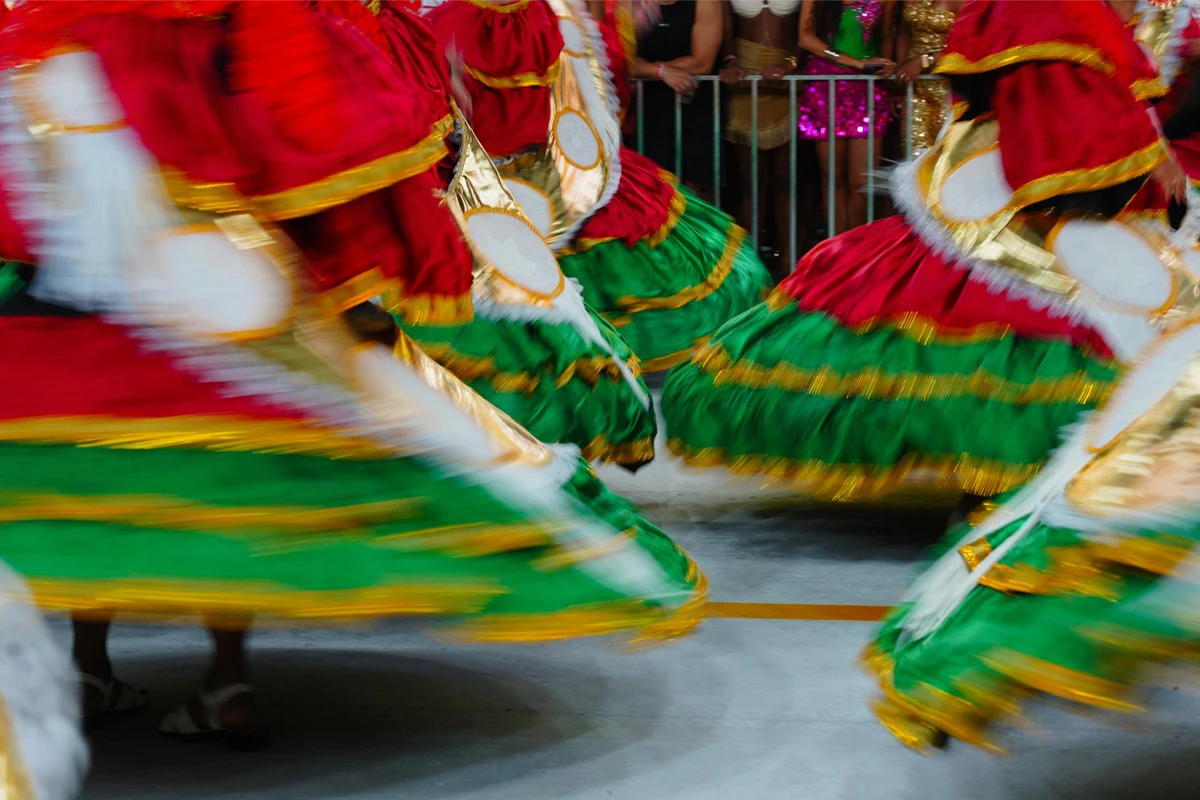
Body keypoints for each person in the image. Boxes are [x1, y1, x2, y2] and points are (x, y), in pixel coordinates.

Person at [0, 0, 705, 749]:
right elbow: (335, 151)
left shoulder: (58, 27)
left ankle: (89, 664)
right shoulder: (276, 22)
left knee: (95, 483)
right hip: (243, 314)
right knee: (241, 482)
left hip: (87, 319)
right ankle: (225, 681)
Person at [663, 0, 1187, 507]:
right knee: (1022, 311)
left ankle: (1033, 468)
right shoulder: (1046, 9)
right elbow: (1056, 85)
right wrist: (1144, 154)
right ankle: (1000, 471)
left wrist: (1148, 150)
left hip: (1067, 175)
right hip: (1030, 177)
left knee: (1084, 307)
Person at [425, 0, 771, 373]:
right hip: (534, 176)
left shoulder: (452, 23)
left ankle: (570, 370)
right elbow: (600, 72)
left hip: (505, 182)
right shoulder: (552, 16)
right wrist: (624, 33)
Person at [720, 0, 810, 277]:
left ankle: (790, 262)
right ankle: (749, 264)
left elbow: (808, 28)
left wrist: (790, 63)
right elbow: (724, 27)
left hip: (786, 76)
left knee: (787, 179)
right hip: (745, 78)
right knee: (750, 182)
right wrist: (730, 61)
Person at [796, 0, 896, 235]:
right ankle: (836, 252)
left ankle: (855, 254)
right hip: (826, 87)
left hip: (868, 89)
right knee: (834, 178)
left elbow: (886, 38)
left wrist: (888, 69)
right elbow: (805, 37)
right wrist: (856, 63)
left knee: (862, 183)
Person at [629, 0, 722, 199]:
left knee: (699, 193)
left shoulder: (705, 3)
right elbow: (623, 60)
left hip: (698, 113)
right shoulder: (632, 4)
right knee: (655, 192)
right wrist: (662, 72)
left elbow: (702, 62)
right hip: (649, 114)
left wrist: (648, 69)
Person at [892, 0, 960, 153]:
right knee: (914, 155)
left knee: (947, 156)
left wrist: (926, 59)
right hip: (914, 87)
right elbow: (903, 37)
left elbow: (969, 43)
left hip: (949, 88)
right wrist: (898, 81)